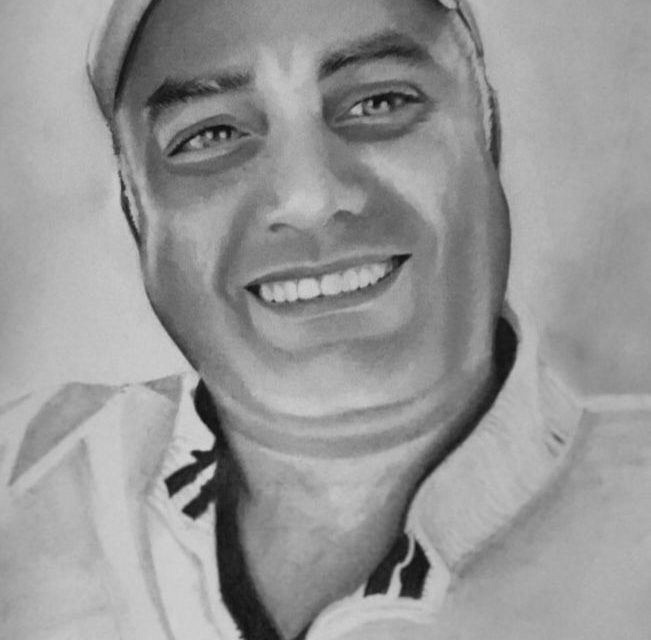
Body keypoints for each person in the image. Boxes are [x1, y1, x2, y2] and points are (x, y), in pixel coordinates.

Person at [1, 0, 649, 638]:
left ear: (487, 132)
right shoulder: (24, 479)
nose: (308, 199)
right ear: (135, 208)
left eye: (379, 102)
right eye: (212, 135)